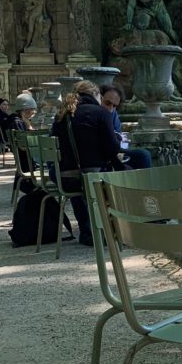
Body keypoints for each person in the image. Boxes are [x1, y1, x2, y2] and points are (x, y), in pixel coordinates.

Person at [52, 81, 120, 245]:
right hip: (91, 178)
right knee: (126, 169)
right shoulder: (100, 113)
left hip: (64, 178)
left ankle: (87, 231)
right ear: (96, 95)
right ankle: (118, 228)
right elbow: (112, 149)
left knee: (79, 176)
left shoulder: (62, 114)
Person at [99, 85, 153, 170]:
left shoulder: (113, 113)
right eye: (107, 103)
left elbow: (122, 141)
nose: (110, 109)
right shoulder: (94, 113)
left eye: (114, 106)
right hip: (100, 154)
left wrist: (123, 142)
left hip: (115, 152)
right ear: (99, 99)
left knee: (143, 155)